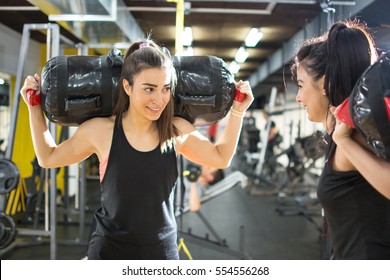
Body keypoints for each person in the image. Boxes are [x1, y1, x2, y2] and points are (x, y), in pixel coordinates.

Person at [20, 39, 253, 260]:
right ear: (127, 86)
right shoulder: (101, 131)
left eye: (165, 89)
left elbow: (221, 158)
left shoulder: (176, 131)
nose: (159, 99)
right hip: (108, 253)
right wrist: (33, 108)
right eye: (149, 89)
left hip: (162, 255)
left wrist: (238, 113)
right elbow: (48, 157)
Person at [291, 20, 390, 259]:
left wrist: (344, 142)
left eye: (301, 86)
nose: (298, 97)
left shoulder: (352, 140)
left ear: (325, 84)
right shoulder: (345, 136)